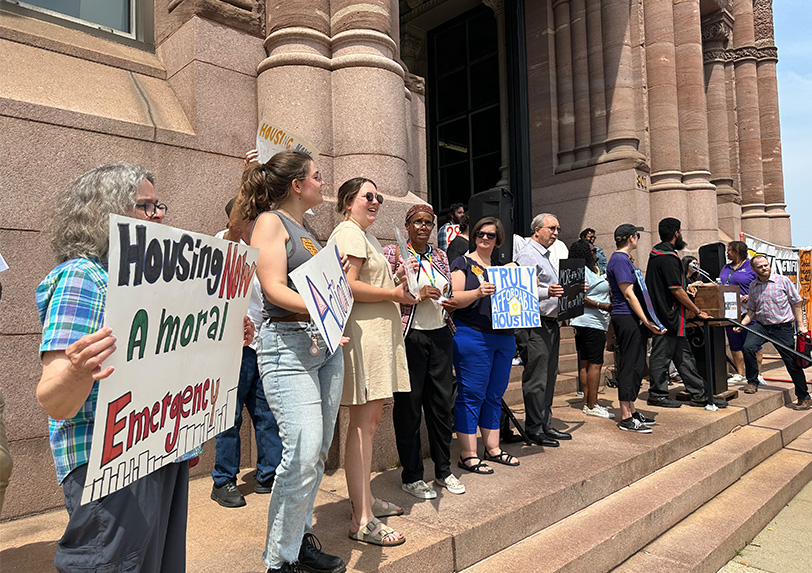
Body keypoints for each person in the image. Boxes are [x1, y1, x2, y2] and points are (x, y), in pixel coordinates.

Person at [35, 164, 200, 571]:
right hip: (106, 459)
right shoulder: (83, 277)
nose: (159, 215)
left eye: (158, 205)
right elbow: (54, 400)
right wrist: (76, 371)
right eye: (145, 206)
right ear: (104, 214)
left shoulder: (155, 282)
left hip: (159, 447)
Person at [240, 150, 347, 573]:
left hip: (324, 347)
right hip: (286, 344)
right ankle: (279, 561)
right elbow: (273, 290)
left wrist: (333, 311)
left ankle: (298, 540)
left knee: (316, 453)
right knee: (300, 453)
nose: (324, 182)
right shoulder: (270, 222)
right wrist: (323, 309)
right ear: (297, 185)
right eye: (317, 176)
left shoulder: (308, 230)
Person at [329, 178, 414, 547]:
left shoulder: (364, 235)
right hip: (365, 337)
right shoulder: (349, 232)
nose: (376, 201)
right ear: (349, 202)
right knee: (364, 425)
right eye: (368, 196)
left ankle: (364, 500)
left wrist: (393, 279)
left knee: (370, 421)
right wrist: (393, 292)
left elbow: (364, 280)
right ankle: (361, 518)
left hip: (375, 336)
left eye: (378, 196)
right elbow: (348, 286)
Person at [383, 204, 465, 498]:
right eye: (417, 222)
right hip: (410, 337)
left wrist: (450, 301)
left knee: (442, 405)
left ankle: (443, 471)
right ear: (407, 225)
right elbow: (385, 288)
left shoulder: (440, 256)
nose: (423, 227)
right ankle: (412, 475)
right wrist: (413, 288)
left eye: (428, 223)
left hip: (441, 335)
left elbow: (449, 291)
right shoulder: (393, 253)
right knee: (409, 407)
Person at [210, 193, 282, 508]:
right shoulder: (222, 244)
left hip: (262, 343)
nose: (255, 224)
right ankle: (223, 480)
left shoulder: (265, 250)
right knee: (228, 417)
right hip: (231, 349)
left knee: (266, 414)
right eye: (249, 218)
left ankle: (269, 475)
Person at [450, 217, 518, 473]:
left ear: (498, 239)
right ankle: (468, 454)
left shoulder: (505, 268)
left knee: (494, 395)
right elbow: (453, 298)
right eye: (480, 233)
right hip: (472, 335)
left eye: (490, 235)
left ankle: (493, 448)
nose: (485, 238)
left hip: (504, 336)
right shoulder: (463, 263)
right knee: (471, 395)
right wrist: (478, 293)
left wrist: (546, 291)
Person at [645, 217, 727, 409]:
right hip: (667, 317)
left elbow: (674, 286)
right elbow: (675, 290)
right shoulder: (667, 257)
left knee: (684, 358)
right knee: (661, 357)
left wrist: (686, 287)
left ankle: (699, 394)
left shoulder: (660, 254)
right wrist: (698, 311)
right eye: (680, 232)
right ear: (676, 233)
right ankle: (657, 394)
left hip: (672, 317)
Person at [514, 213, 570, 446]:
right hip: (535, 325)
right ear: (537, 230)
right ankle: (535, 428)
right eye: (551, 228)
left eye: (558, 229)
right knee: (537, 379)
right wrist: (549, 292)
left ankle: (545, 423)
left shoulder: (545, 255)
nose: (556, 233)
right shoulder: (528, 254)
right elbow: (520, 288)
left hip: (550, 323)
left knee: (549, 376)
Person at [606, 225, 663, 433]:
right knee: (629, 364)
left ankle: (632, 408)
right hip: (626, 316)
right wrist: (646, 321)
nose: (638, 239)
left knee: (638, 364)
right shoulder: (619, 260)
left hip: (632, 317)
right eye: (637, 236)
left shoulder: (625, 260)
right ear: (631, 238)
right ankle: (626, 416)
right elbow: (628, 294)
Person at [734, 255, 811, 409]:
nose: (764, 268)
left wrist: (801, 326)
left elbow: (796, 303)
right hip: (761, 326)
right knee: (748, 347)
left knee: (791, 363)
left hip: (783, 328)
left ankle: (804, 397)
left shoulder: (783, 281)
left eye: (766, 265)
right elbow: (752, 310)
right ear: (754, 269)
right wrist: (742, 324)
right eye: (760, 266)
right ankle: (752, 381)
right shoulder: (753, 286)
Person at [568, 239, 613, 418]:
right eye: (592, 251)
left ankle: (588, 402)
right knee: (595, 363)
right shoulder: (582, 271)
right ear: (585, 253)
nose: (595, 254)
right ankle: (593, 405)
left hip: (583, 322)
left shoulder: (583, 270)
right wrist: (602, 305)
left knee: (585, 363)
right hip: (591, 322)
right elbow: (579, 296)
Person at [720, 241, 762, 384]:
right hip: (730, 311)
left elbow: (761, 284)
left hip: (749, 311)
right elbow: (720, 283)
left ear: (737, 252)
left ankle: (758, 374)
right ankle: (740, 373)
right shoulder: (726, 267)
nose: (727, 253)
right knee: (734, 342)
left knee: (753, 343)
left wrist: (750, 295)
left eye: (729, 250)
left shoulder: (750, 267)